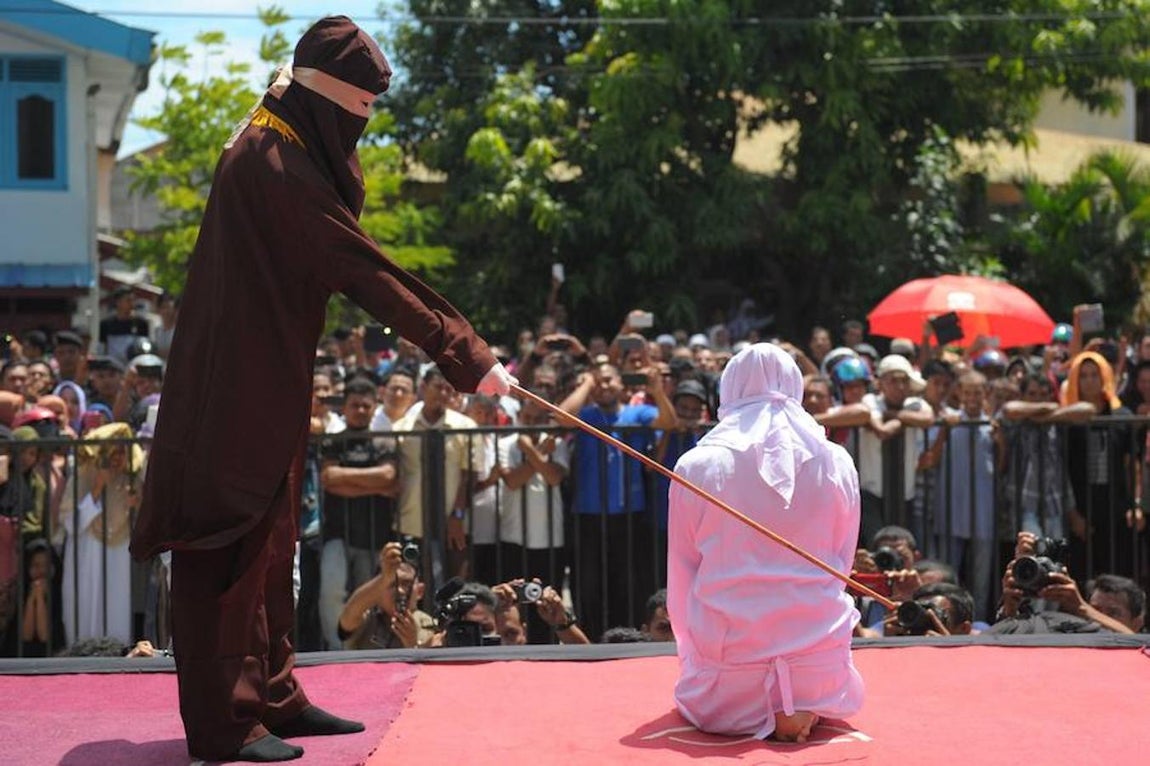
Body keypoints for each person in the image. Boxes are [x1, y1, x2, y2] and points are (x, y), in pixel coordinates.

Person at [128, 17, 514, 763]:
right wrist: (464, 353)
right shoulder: (272, 164)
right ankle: (225, 725)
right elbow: (360, 265)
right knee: (227, 552)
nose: (362, 129)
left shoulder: (286, 141)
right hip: (231, 390)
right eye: (360, 112)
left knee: (272, 551)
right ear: (330, 103)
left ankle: (274, 696)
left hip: (266, 382)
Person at [668, 343, 864, 743]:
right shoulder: (838, 461)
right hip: (822, 670)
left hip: (727, 684)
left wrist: (693, 657)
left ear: (729, 389)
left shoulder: (697, 465)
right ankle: (803, 701)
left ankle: (766, 704)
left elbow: (682, 576)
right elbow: (841, 566)